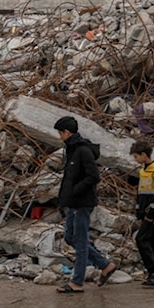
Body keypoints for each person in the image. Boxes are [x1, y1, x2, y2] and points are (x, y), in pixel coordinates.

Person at [53, 115, 116, 294]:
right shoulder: (72, 150)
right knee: (69, 237)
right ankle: (105, 265)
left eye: (60, 133)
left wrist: (75, 191)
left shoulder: (83, 151)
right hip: (73, 203)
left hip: (82, 203)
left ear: (67, 132)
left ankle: (77, 282)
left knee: (80, 241)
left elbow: (93, 176)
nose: (59, 136)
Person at [128, 140, 154, 287]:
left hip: (153, 215)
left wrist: (152, 214)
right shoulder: (144, 171)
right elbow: (142, 193)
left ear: (144, 155)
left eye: (136, 156)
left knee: (141, 240)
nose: (135, 159)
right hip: (146, 213)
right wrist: (139, 212)